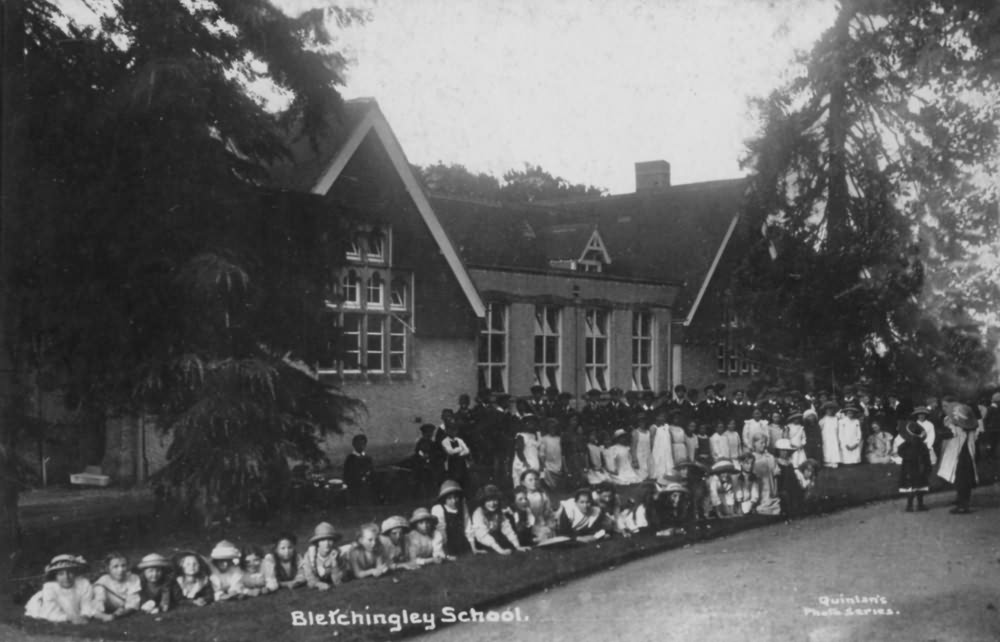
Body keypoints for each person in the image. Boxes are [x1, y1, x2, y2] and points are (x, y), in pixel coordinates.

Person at [25, 555, 111, 623]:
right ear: (55, 576)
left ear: (76, 573)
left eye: (70, 572)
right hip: (47, 608)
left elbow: (86, 605)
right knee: (42, 610)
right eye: (61, 574)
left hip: (76, 611)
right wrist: (69, 618)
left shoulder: (83, 584)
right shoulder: (50, 588)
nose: (66, 577)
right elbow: (51, 613)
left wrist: (85, 616)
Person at [938, 403, 981, 514]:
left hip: (960, 455)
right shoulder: (971, 427)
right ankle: (963, 502)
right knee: (965, 479)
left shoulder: (956, 428)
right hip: (968, 453)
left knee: (961, 479)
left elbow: (947, 431)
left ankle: (962, 505)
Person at [471, 484, 527, 554]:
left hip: (495, 541)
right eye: (488, 500)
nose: (492, 504)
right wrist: (500, 550)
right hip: (482, 542)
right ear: (483, 502)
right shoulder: (478, 513)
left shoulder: (499, 512)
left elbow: (507, 529)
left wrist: (518, 546)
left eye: (495, 499)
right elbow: (482, 535)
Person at [431, 480, 477, 558]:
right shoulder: (438, 509)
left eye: (456, 497)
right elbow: (440, 533)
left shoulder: (463, 506)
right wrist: (446, 553)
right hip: (447, 543)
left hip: (462, 542)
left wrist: (473, 548)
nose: (454, 501)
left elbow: (468, 526)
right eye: (449, 498)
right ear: (444, 499)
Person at [93, 552, 141, 619]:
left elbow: (133, 601)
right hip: (109, 609)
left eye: (123, 565)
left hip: (124, 609)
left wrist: (124, 611)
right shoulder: (103, 582)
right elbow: (98, 603)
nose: (120, 570)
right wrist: (106, 616)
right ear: (108, 568)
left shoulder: (133, 578)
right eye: (115, 566)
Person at [898, 422, 932, 512]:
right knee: (920, 486)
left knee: (911, 487)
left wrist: (907, 457)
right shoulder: (922, 444)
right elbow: (926, 457)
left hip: (909, 468)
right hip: (920, 468)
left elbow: (900, 451)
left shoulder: (907, 443)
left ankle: (910, 505)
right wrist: (928, 467)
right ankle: (920, 504)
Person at [301, 522, 345, 590]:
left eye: (330, 540)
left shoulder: (338, 555)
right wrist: (318, 584)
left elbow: (338, 582)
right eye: (323, 540)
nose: (327, 544)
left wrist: (334, 564)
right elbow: (309, 577)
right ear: (317, 542)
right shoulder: (310, 555)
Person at [520, 469, 556, 541]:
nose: (534, 482)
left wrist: (550, 526)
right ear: (523, 482)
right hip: (528, 526)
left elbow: (548, 513)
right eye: (530, 480)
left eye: (536, 479)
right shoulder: (522, 497)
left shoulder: (543, 495)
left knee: (548, 533)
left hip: (542, 524)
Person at [750, 434, 781, 515]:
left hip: (770, 488)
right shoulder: (751, 457)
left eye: (765, 443)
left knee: (774, 505)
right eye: (761, 443)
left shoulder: (770, 457)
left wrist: (775, 471)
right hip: (757, 487)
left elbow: (776, 470)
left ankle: (769, 505)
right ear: (754, 444)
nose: (764, 445)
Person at [343, 434, 377, 506]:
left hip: (366, 487)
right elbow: (346, 473)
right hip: (354, 486)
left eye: (363, 444)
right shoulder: (350, 458)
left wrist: (368, 476)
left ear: (365, 445)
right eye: (358, 444)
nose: (360, 446)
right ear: (354, 445)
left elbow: (372, 471)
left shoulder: (368, 458)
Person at [775, 438, 805, 518]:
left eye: (786, 451)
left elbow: (793, 477)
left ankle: (797, 511)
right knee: (785, 495)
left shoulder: (789, 463)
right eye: (782, 450)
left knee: (797, 491)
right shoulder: (777, 462)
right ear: (778, 451)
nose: (785, 452)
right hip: (781, 486)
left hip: (791, 485)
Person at [441, 420, 472, 490]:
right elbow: (450, 452)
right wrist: (460, 448)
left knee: (464, 481)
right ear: (447, 431)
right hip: (452, 465)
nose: (453, 432)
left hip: (461, 464)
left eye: (454, 430)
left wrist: (459, 453)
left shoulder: (460, 440)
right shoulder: (445, 441)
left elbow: (467, 450)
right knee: (453, 481)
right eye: (450, 430)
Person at [512, 415, 542, 487]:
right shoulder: (521, 436)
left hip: (533, 465)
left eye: (533, 423)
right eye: (529, 422)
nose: (531, 424)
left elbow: (538, 446)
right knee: (522, 486)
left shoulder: (533, 436)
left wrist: (538, 432)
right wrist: (526, 463)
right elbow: (519, 451)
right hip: (524, 465)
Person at [539, 417, 566, 490]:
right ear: (547, 428)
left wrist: (564, 466)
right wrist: (543, 466)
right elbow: (542, 454)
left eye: (554, 427)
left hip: (558, 466)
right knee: (549, 485)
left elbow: (562, 454)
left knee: (557, 486)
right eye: (550, 427)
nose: (552, 429)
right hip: (549, 466)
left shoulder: (559, 438)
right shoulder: (544, 439)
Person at [649, 408, 676, 479]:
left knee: (667, 461)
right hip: (658, 449)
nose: (662, 418)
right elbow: (651, 441)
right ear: (656, 417)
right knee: (659, 461)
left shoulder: (667, 427)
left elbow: (670, 439)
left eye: (664, 416)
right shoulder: (654, 427)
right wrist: (652, 451)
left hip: (666, 448)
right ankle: (659, 476)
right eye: (660, 416)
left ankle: (668, 475)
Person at [819, 401, 841, 468]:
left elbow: (838, 429)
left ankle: (834, 461)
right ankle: (827, 461)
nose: (829, 411)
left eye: (831, 409)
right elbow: (819, 428)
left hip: (834, 436)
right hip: (826, 437)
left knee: (834, 448)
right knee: (827, 448)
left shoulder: (836, 419)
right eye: (828, 409)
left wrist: (838, 438)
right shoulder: (823, 419)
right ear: (825, 411)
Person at [631, 413, 653, 480]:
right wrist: (634, 459)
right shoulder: (636, 432)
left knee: (649, 474)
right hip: (640, 456)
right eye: (640, 421)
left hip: (648, 455)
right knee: (641, 476)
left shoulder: (649, 432)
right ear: (638, 422)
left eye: (644, 420)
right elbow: (633, 447)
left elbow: (651, 445)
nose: (642, 422)